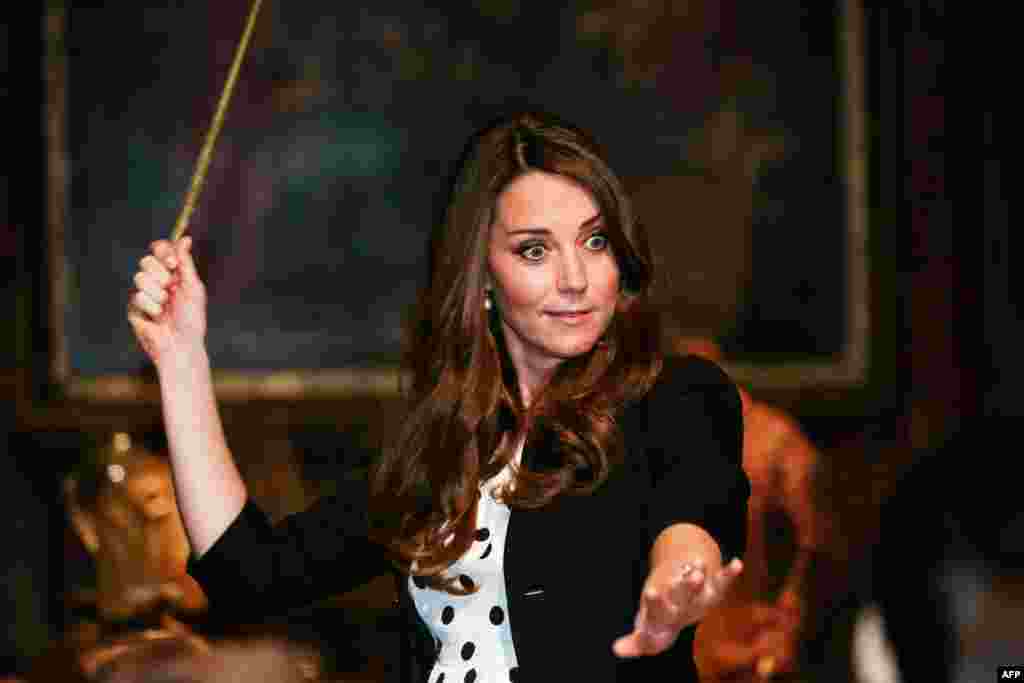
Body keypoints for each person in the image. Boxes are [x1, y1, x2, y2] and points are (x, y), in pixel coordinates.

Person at [127, 110, 751, 683]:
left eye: (594, 241)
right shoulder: (444, 445)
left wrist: (680, 579)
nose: (576, 278)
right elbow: (248, 576)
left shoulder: (675, 395)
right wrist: (181, 360)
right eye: (535, 250)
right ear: (482, 277)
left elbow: (693, 520)